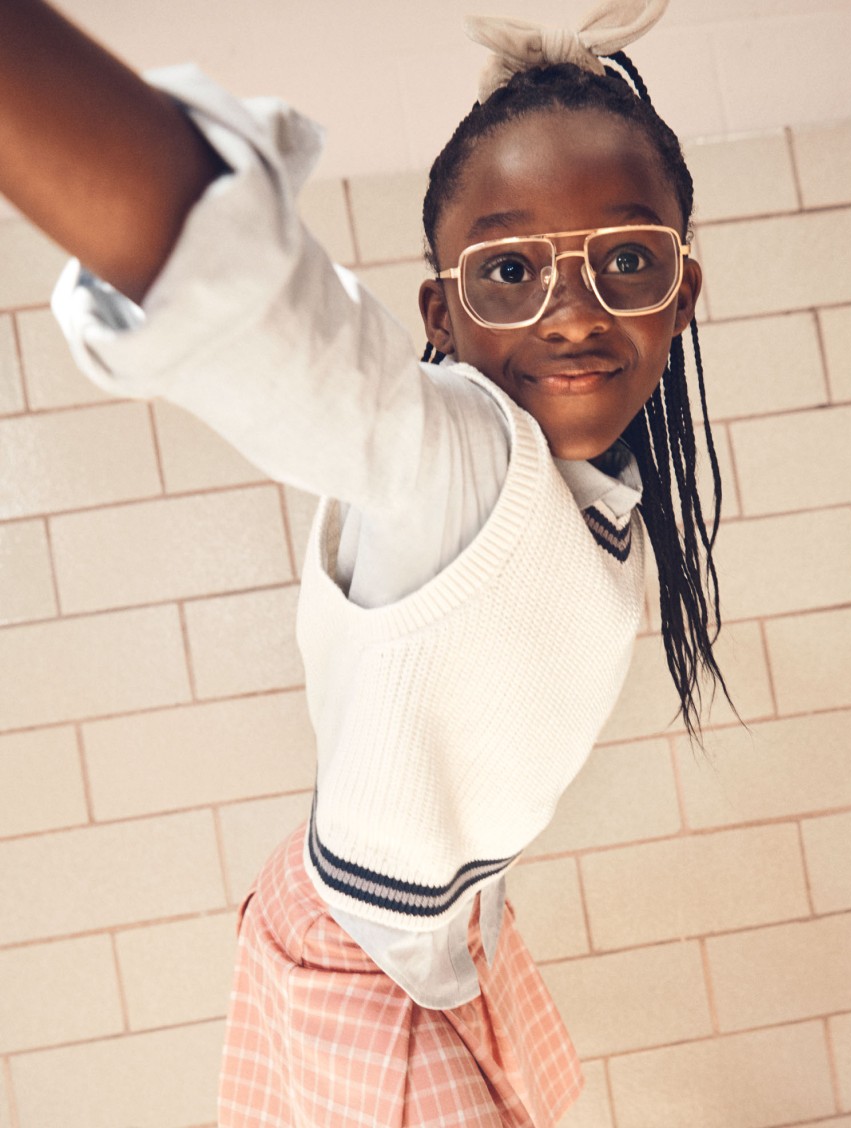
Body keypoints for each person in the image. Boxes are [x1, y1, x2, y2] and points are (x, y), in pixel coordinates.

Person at [0, 0, 729, 1123]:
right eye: (507, 270)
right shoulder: (463, 460)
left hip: (434, 932)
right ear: (440, 315)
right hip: (363, 947)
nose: (571, 313)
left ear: (681, 292)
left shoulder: (597, 498)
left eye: (626, 259)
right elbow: (275, 325)